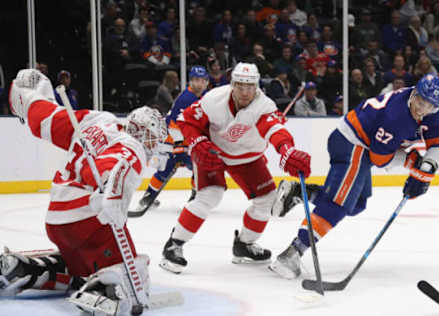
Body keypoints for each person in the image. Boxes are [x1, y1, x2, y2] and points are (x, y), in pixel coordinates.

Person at [2, 69, 168, 315]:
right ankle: (105, 294)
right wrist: (112, 191)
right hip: (87, 221)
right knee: (135, 271)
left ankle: (22, 268)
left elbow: (47, 121)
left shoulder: (99, 120)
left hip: (58, 218)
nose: (154, 146)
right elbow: (111, 167)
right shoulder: (133, 149)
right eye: (154, 140)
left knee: (81, 267)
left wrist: (29, 98)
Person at [269, 74, 439, 279]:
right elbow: (380, 158)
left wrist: (426, 169)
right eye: (420, 101)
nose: (421, 109)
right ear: (414, 92)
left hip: (362, 148)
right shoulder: (396, 116)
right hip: (352, 143)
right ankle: (291, 254)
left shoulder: (434, 112)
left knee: (356, 205)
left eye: (429, 106)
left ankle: (299, 193)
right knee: (339, 204)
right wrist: (411, 163)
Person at [159, 62, 311, 274]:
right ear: (232, 85)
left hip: (247, 156)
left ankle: (244, 245)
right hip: (213, 152)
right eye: (241, 86)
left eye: (250, 87)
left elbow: (275, 129)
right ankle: (173, 245)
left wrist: (287, 151)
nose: (246, 92)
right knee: (209, 196)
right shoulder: (214, 99)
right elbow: (186, 121)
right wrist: (197, 143)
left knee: (266, 201)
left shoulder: (263, 105)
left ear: (257, 86)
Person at [131, 66, 209, 216]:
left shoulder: (204, 96)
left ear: (206, 82)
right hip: (172, 140)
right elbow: (174, 123)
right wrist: (179, 144)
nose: (199, 84)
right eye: (196, 80)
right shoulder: (187, 98)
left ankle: (193, 197)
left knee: (198, 167)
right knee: (168, 169)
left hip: (186, 141)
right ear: (190, 82)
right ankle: (148, 198)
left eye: (202, 81)